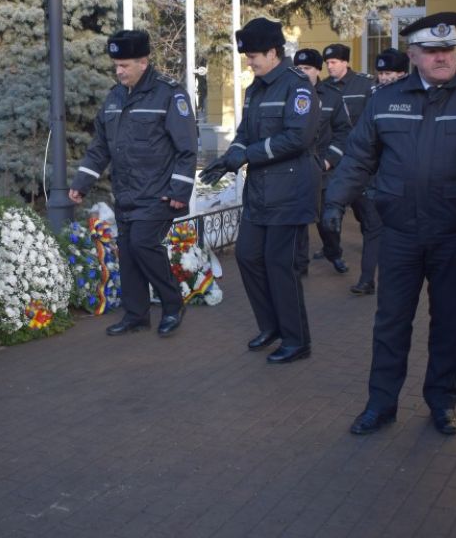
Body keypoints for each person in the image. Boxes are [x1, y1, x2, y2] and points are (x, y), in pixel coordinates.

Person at [322, 12, 456, 436]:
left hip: (453, 234)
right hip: (400, 234)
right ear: (412, 55)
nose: (443, 57)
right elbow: (359, 157)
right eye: (432, 51)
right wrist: (335, 200)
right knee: (391, 322)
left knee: (447, 322)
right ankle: (381, 403)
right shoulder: (385, 100)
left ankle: (442, 402)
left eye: (448, 49)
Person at [200, 18, 320, 364]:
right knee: (248, 256)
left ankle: (296, 340)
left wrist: (248, 155)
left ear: (272, 53)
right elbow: (244, 133)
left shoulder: (297, 86)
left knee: (280, 265)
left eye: (253, 57)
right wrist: (230, 158)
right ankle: (271, 326)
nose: (249, 63)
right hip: (260, 192)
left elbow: (297, 138)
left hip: (290, 191)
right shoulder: (256, 89)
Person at [69, 30, 198, 337]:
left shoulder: (170, 94)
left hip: (158, 194)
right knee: (127, 253)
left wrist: (180, 191)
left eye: (124, 65)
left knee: (142, 244)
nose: (119, 71)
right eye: (116, 65)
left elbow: (187, 147)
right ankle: (136, 315)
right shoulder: (114, 97)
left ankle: (173, 304)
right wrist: (82, 182)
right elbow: (100, 146)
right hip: (126, 193)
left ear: (143, 62)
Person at [319, 44, 382, 293]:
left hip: (361, 162)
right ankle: (333, 251)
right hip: (335, 162)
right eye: (327, 63)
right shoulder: (323, 88)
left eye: (334, 62)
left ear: (346, 62)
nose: (330, 66)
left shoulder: (365, 85)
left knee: (367, 217)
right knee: (329, 213)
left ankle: (369, 269)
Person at [292, 47, 351, 276]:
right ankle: (300, 265)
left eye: (307, 68)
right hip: (295, 169)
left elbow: (344, 132)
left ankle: (334, 253)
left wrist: (328, 161)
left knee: (327, 222)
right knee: (298, 221)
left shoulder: (332, 96)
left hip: (323, 170)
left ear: (318, 70)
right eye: (298, 68)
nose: (302, 72)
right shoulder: (288, 94)